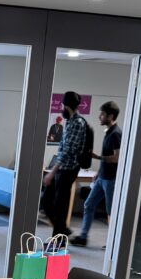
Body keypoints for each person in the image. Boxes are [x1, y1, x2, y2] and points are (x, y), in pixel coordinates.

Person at [70, 101, 122, 247]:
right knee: (88, 204)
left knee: (111, 212)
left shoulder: (116, 134)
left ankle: (113, 243)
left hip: (111, 179)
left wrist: (96, 157)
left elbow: (117, 158)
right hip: (102, 178)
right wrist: (98, 172)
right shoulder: (109, 132)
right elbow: (108, 156)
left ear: (110, 116)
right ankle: (83, 237)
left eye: (102, 114)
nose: (100, 117)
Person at [41, 90, 87, 237]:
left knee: (60, 206)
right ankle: (62, 230)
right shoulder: (69, 122)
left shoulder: (77, 123)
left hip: (68, 170)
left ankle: (58, 238)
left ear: (66, 106)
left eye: (62, 105)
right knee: (46, 202)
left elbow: (67, 151)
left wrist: (52, 172)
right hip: (61, 169)